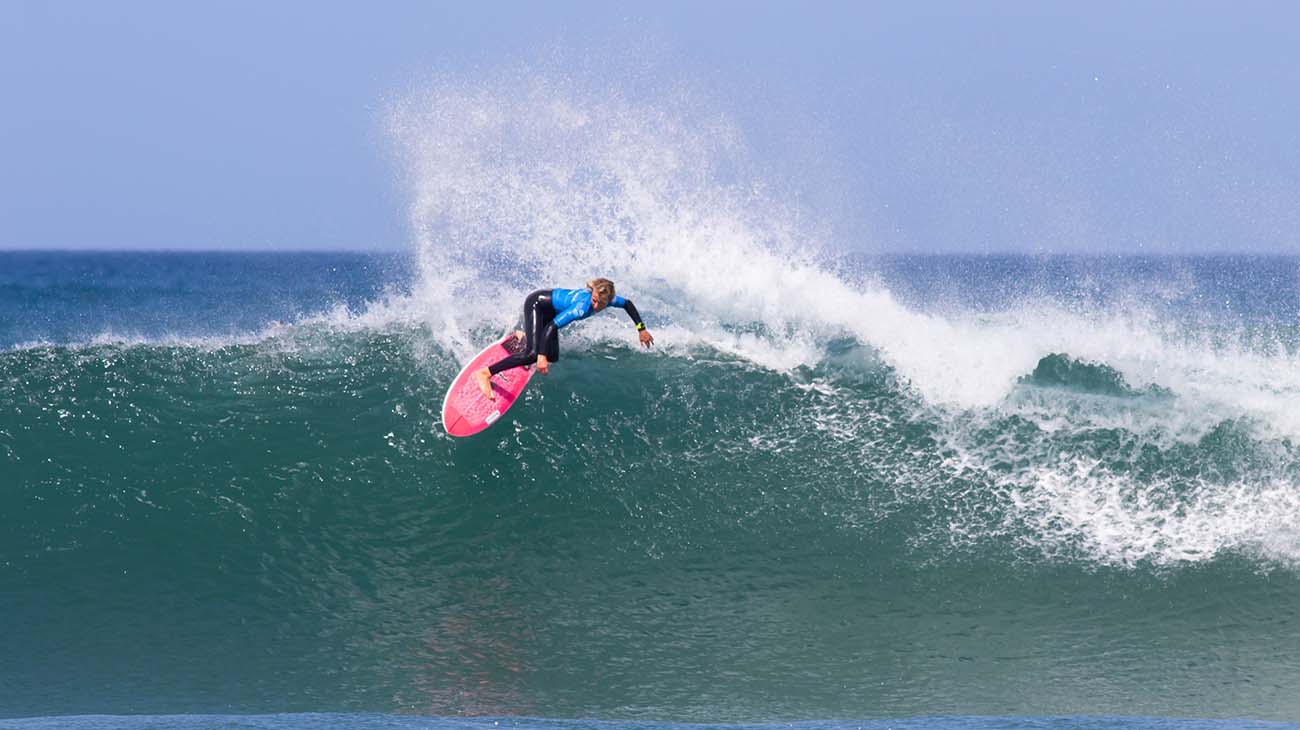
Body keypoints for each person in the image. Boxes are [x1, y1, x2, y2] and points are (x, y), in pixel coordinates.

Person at [473, 278, 654, 399]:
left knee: (553, 357)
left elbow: (628, 304)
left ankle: (525, 338)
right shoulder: (582, 307)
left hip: (549, 311)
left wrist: (641, 329)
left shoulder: (611, 299)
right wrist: (540, 356)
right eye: (594, 300)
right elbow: (552, 327)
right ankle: (485, 373)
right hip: (537, 304)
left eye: (600, 302)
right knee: (534, 355)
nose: (596, 305)